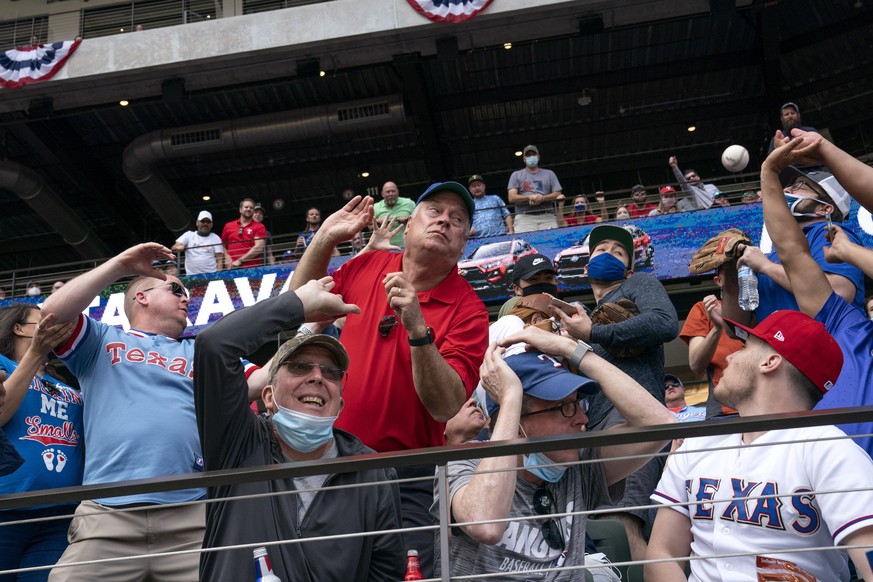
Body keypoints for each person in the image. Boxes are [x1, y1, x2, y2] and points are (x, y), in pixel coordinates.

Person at [289, 183, 489, 576]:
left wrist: (418, 328)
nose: (445, 221)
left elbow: (447, 405)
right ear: (410, 223)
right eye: (434, 211)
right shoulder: (367, 267)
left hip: (410, 480)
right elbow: (297, 305)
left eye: (458, 219)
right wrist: (324, 239)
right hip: (337, 466)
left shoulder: (470, 310)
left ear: (464, 242)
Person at [43, 243, 269, 581]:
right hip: (107, 514)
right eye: (175, 288)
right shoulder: (102, 339)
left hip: (191, 515)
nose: (185, 297)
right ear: (142, 297)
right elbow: (53, 312)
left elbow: (266, 381)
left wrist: (309, 329)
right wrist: (118, 265)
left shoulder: (202, 352)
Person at [194, 276, 405, 581]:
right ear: (268, 397)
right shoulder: (237, 443)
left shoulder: (372, 471)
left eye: (331, 372)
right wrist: (297, 304)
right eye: (300, 367)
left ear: (340, 405)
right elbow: (214, 345)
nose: (318, 377)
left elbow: (386, 574)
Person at [647, 310, 873, 581]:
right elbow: (663, 552)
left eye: (744, 346)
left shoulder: (830, 450)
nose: (729, 356)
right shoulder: (698, 444)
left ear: (770, 361)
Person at [435, 326, 675, 578]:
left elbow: (660, 424)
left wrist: (572, 349)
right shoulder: (464, 462)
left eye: (577, 403)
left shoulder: (576, 464)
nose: (582, 417)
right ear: (516, 423)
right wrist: (510, 397)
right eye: (563, 407)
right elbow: (486, 526)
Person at [556, 223, 678, 561]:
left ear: (629, 267)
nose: (607, 254)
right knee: (599, 532)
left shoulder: (639, 283)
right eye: (600, 249)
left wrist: (593, 332)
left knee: (623, 523)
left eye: (618, 251)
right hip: (592, 424)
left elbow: (665, 322)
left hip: (632, 420)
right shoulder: (583, 314)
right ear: (586, 265)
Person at [755, 132, 873, 457]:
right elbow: (793, 253)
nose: (792, 191)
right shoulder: (848, 328)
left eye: (799, 187)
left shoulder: (837, 236)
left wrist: (848, 251)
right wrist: (769, 174)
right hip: (834, 497)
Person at [721, 162, 864, 328]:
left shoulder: (832, 234)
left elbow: (839, 293)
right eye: (789, 185)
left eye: (799, 186)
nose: (786, 190)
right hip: (781, 352)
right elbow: (737, 328)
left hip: (832, 350)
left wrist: (766, 266)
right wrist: (730, 273)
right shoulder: (776, 254)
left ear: (825, 209)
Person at [0, 305, 82, 581]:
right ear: (19, 328)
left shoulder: (70, 386)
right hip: (7, 504)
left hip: (60, 512)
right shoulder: (3, 365)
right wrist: (35, 354)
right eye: (42, 321)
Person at [680, 265, 743, 418]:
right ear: (718, 280)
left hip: (767, 403)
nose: (737, 271)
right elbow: (696, 364)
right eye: (730, 268)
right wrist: (717, 327)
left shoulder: (763, 304)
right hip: (725, 409)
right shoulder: (704, 309)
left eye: (742, 266)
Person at [507, 145, 565, 232]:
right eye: (528, 155)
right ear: (524, 158)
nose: (531, 157)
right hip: (524, 217)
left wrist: (542, 198)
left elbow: (557, 194)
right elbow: (511, 197)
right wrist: (529, 197)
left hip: (547, 216)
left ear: (538, 156)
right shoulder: (516, 175)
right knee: (524, 244)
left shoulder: (549, 174)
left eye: (533, 154)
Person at [496, 253, 559, 319]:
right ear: (517, 289)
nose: (543, 284)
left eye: (548, 278)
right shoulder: (516, 304)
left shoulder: (561, 307)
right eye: (533, 279)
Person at [172, 210, 223, 275]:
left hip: (211, 275)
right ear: (197, 223)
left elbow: (220, 260)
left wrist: (218, 276)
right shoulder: (189, 235)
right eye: (202, 221)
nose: (205, 224)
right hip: (192, 277)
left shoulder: (215, 238)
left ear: (211, 224)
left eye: (208, 222)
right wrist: (179, 246)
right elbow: (174, 247)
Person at [221, 198, 266, 269]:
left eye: (251, 208)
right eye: (246, 207)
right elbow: (223, 245)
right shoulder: (228, 226)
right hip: (231, 267)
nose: (248, 209)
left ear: (253, 211)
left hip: (252, 268)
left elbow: (259, 248)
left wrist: (240, 260)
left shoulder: (259, 226)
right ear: (240, 210)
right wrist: (227, 257)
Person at [373, 181, 415, 248]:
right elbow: (369, 227)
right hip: (384, 248)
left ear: (397, 192)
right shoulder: (376, 207)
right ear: (382, 194)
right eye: (388, 192)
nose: (391, 194)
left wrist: (409, 220)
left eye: (393, 191)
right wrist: (377, 223)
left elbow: (419, 221)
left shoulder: (409, 203)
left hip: (407, 247)